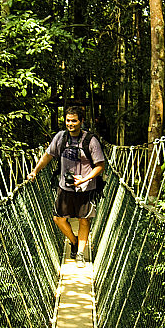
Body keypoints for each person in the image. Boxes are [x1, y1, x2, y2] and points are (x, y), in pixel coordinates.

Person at [28, 106, 105, 267]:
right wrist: (35, 171)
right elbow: (48, 155)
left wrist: (84, 179)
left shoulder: (91, 140)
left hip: (86, 188)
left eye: (74, 121)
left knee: (84, 220)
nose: (70, 124)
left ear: (81, 121)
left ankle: (81, 255)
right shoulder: (60, 138)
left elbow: (100, 166)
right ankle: (74, 242)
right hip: (65, 186)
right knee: (58, 219)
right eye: (68, 120)